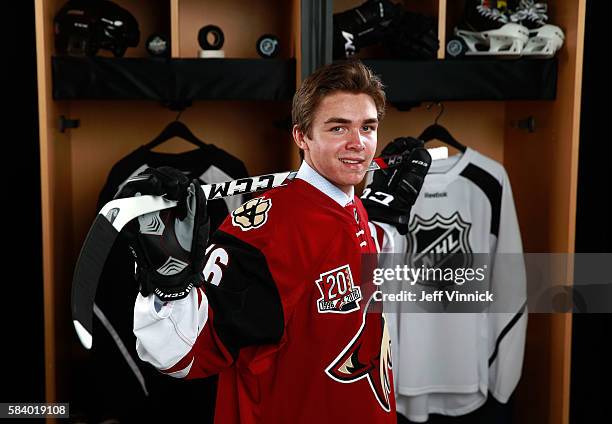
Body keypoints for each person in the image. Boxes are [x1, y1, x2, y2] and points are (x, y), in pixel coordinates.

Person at [118, 60, 431, 423]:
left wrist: (387, 216)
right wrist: (169, 281)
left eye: (368, 127)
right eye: (338, 128)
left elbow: (347, 285)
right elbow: (182, 356)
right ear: (301, 136)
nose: (358, 143)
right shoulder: (267, 232)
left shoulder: (351, 207)